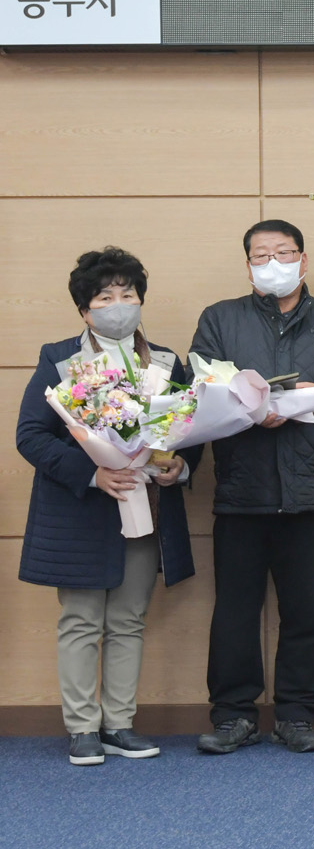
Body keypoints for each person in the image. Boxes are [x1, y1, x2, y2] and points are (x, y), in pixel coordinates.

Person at [190, 220, 314, 756]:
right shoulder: (219, 319)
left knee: (305, 612)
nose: (272, 262)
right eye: (261, 255)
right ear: (247, 265)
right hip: (242, 488)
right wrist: (249, 409)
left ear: (303, 260)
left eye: (283, 252)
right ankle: (233, 716)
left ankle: (297, 715)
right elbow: (197, 391)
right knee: (234, 612)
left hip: (311, 491)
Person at [16, 247, 200, 766]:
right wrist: (93, 472)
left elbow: (191, 430)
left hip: (145, 505)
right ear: (84, 310)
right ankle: (82, 728)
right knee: (80, 620)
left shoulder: (165, 361)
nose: (118, 305)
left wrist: (178, 465)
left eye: (128, 294)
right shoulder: (60, 359)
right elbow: (31, 435)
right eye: (105, 297)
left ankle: (119, 724)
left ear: (141, 301)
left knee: (128, 618)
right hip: (80, 511)